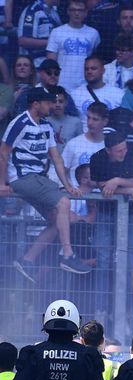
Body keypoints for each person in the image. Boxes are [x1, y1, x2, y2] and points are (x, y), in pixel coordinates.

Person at [6, 88, 88, 281]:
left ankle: (27, 260)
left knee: (58, 220)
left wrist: (67, 184)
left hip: (38, 179)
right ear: (36, 104)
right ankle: (68, 255)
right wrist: (2, 183)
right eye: (48, 102)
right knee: (64, 204)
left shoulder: (46, 126)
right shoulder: (19, 123)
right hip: (22, 177)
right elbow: (3, 153)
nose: (52, 106)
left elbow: (57, 158)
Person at [45, 0, 99, 91]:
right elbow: (50, 62)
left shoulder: (93, 34)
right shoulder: (57, 32)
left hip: (85, 86)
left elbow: (95, 61)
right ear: (68, 12)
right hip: (61, 85)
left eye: (80, 10)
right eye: (73, 10)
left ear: (86, 12)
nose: (76, 13)